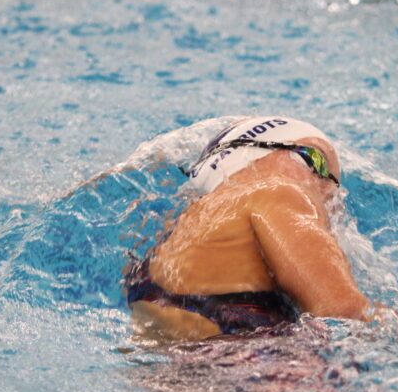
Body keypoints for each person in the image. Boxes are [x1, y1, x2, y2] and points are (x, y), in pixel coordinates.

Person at [124, 115, 377, 343]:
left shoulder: (174, 234)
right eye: (316, 162)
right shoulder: (275, 191)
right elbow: (345, 313)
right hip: (248, 374)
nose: (330, 192)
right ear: (248, 156)